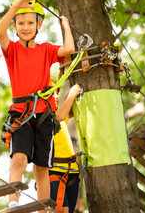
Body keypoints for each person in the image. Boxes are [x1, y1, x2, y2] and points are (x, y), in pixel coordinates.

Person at [0, 0, 75, 211]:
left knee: (42, 169)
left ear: (39, 24)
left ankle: (44, 209)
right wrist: (15, 7)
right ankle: (13, 203)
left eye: (30, 23)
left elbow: (68, 50)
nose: (25, 27)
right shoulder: (12, 50)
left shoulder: (46, 50)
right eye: (21, 23)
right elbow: (0, 31)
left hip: (43, 116)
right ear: (15, 25)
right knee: (18, 159)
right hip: (21, 113)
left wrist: (66, 25)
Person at [50, 81, 82, 213]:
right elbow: (60, 116)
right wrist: (72, 94)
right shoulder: (42, 117)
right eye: (52, 94)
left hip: (72, 171)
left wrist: (70, 96)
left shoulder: (58, 113)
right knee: (60, 210)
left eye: (57, 93)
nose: (56, 96)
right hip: (55, 172)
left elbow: (66, 112)